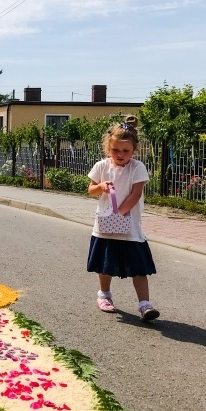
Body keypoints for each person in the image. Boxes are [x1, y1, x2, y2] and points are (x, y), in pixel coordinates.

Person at [87, 115, 159, 322]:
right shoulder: (101, 166)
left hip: (130, 228)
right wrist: (100, 187)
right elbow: (91, 190)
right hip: (105, 227)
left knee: (139, 267)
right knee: (104, 264)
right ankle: (104, 295)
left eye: (125, 151)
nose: (120, 154)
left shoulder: (137, 168)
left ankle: (145, 304)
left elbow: (136, 193)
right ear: (108, 148)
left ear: (133, 150)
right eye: (115, 150)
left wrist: (119, 213)